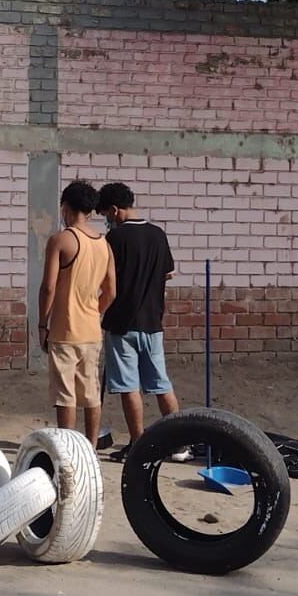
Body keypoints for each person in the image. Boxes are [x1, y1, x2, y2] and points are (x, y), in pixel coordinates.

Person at [97, 182, 180, 456]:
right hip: (152, 322)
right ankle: (180, 444)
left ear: (114, 210)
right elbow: (168, 273)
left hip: (121, 323)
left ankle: (137, 444)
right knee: (161, 383)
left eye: (106, 215)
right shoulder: (158, 235)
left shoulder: (114, 240)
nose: (107, 221)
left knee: (128, 386)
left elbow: (105, 280)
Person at [39, 180, 115, 448]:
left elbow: (48, 287)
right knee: (92, 392)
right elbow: (111, 290)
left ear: (66, 207)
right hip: (92, 330)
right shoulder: (103, 244)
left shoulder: (61, 240)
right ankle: (91, 446)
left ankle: (69, 446)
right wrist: (96, 312)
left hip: (64, 328)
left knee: (65, 394)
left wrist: (42, 324)